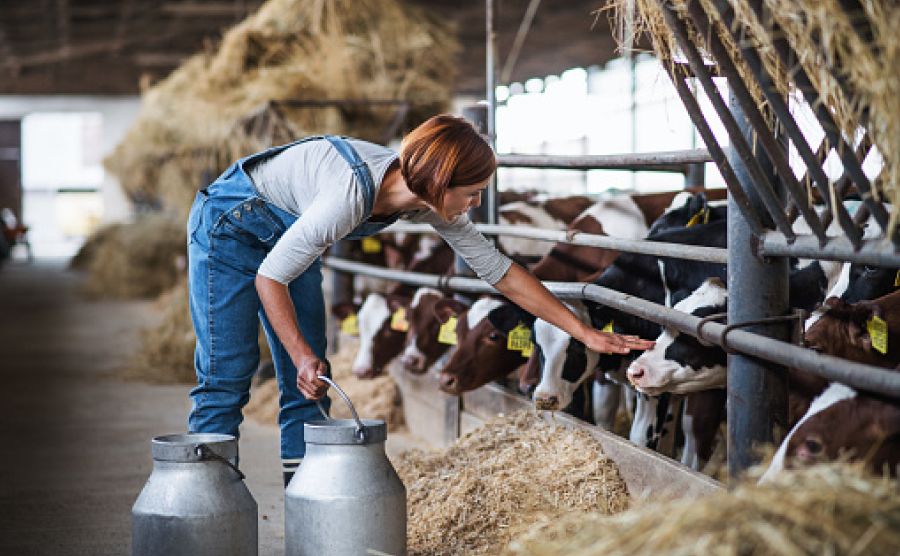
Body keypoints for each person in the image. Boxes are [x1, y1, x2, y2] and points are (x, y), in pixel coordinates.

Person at [186, 114, 654, 485]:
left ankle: (311, 512)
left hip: (292, 233)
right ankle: (202, 504)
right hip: (231, 224)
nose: (473, 205)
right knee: (229, 371)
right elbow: (271, 278)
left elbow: (503, 274)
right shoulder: (349, 195)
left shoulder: (427, 197)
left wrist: (584, 331)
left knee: (311, 387)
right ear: (441, 180)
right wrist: (300, 352)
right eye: (471, 194)